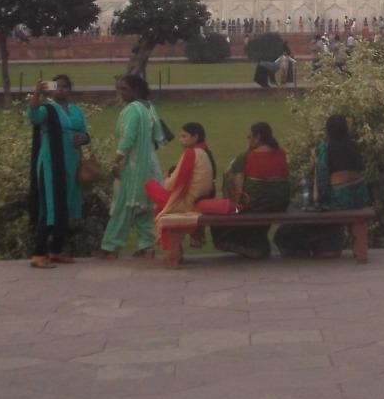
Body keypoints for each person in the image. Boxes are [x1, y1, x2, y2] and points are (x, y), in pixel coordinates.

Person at [277, 114, 370, 258]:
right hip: (358, 198)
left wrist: (318, 199)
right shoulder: (354, 146)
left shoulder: (325, 148)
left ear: (328, 130)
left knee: (302, 208)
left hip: (339, 200)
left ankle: (306, 245)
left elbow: (321, 180)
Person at [27, 74, 89, 268]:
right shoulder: (47, 110)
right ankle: (39, 253)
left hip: (71, 164)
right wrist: (37, 94)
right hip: (52, 164)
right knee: (50, 206)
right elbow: (33, 116)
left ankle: (56, 250)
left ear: (70, 89)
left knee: (65, 205)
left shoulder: (76, 111)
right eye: (57, 86)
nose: (61, 90)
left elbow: (85, 132)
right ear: (51, 90)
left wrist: (83, 138)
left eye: (65, 87)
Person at [100, 74, 164, 259]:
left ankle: (110, 247)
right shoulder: (149, 107)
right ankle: (147, 246)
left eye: (124, 89)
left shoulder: (133, 110)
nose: (121, 93)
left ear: (136, 90)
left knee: (122, 207)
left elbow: (128, 138)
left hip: (133, 166)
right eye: (119, 89)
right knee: (144, 207)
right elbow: (159, 136)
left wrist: (117, 161)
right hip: (150, 164)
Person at [215, 121, 291, 258]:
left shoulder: (246, 156)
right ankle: (257, 244)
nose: (248, 140)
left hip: (255, 205)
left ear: (257, 137)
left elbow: (230, 181)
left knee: (228, 215)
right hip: (280, 203)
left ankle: (249, 246)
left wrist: (234, 203)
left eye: (249, 137)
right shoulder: (281, 153)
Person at [146, 122, 218, 260]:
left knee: (150, 186)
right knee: (160, 207)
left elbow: (172, 184)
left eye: (184, 136)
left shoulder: (191, 154)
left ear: (195, 137)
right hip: (198, 198)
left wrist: (167, 178)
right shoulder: (205, 152)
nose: (181, 139)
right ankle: (173, 249)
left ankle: (172, 251)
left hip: (187, 202)